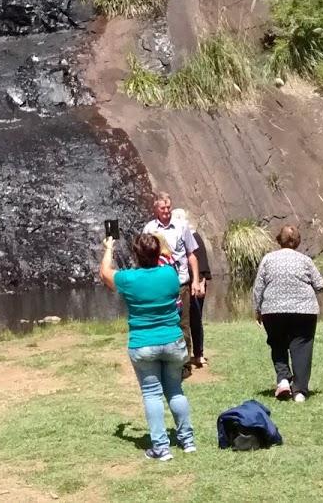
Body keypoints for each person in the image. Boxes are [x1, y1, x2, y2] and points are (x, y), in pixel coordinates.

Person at [100, 233, 195, 461]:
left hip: (143, 344)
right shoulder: (170, 274)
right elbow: (168, 256)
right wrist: (159, 244)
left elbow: (104, 273)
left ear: (136, 255)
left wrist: (109, 248)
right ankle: (187, 441)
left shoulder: (129, 279)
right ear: (157, 253)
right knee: (175, 390)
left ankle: (161, 448)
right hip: (173, 341)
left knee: (152, 394)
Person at [251, 225, 323, 403]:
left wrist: (257, 309)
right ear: (298, 241)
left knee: (277, 343)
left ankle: (283, 380)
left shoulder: (268, 259)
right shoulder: (305, 260)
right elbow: (320, 285)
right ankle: (299, 391)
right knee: (302, 347)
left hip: (273, 310)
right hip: (303, 311)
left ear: (279, 240)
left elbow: (258, 287)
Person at [142, 193, 201, 369]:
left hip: (180, 283)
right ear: (156, 209)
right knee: (162, 322)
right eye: (163, 208)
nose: (166, 211)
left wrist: (196, 280)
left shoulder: (182, 226)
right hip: (157, 286)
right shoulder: (149, 229)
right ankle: (164, 360)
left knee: (183, 323)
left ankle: (184, 363)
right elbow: (144, 256)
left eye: (169, 208)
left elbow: (192, 254)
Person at [174, 209, 211, 368]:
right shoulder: (183, 237)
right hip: (185, 284)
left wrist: (200, 282)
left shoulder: (193, 236)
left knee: (195, 319)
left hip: (195, 284)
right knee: (186, 319)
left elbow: (201, 262)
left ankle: (198, 354)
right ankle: (186, 354)